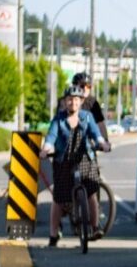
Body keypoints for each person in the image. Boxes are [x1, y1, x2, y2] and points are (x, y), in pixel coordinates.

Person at [39, 85, 110, 247]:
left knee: (91, 192)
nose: (73, 102)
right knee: (59, 198)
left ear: (81, 101)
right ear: (65, 102)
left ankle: (95, 227)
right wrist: (46, 149)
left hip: (85, 158)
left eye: (76, 99)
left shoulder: (87, 117)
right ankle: (53, 234)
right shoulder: (58, 119)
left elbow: (96, 134)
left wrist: (103, 144)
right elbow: (51, 137)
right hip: (63, 161)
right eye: (70, 99)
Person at [71, 72, 110, 143]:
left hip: (87, 140)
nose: (86, 89)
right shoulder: (66, 101)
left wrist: (105, 141)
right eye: (82, 86)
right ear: (74, 86)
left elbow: (100, 123)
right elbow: (58, 122)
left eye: (89, 86)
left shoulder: (93, 102)